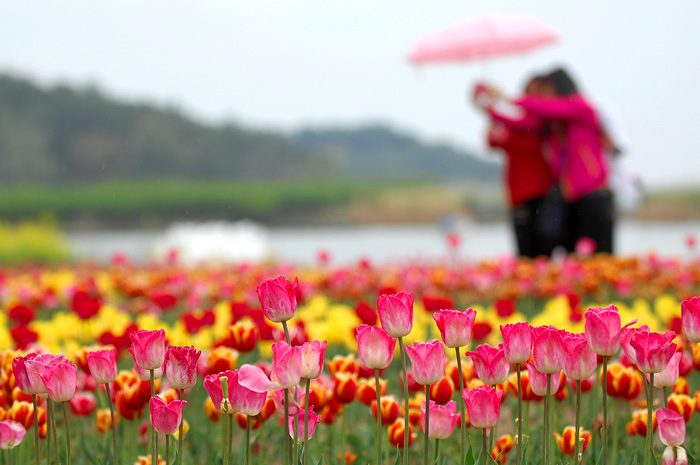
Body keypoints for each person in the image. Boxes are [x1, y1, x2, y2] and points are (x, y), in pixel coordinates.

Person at [513, 68, 614, 254]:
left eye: (546, 90)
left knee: (600, 258)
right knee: (575, 256)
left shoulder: (580, 107)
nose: (543, 97)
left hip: (592, 194)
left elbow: (547, 107)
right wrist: (490, 108)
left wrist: (508, 98)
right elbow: (523, 123)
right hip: (570, 198)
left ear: (559, 87)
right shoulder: (557, 125)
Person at [473, 77, 554, 258]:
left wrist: (490, 110)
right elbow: (493, 141)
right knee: (525, 249)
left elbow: (522, 124)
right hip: (520, 195)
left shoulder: (540, 123)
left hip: (543, 194)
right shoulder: (515, 128)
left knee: (543, 248)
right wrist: (490, 113)